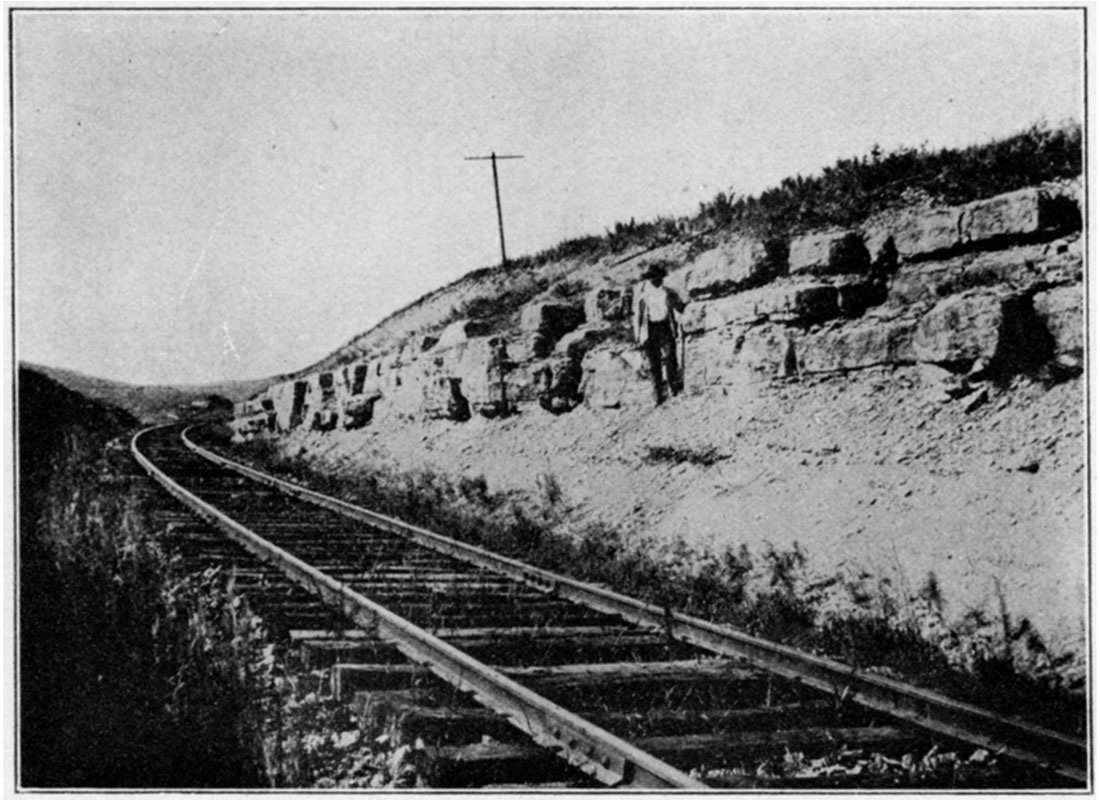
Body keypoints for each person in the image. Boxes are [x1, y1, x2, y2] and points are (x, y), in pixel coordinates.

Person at [632, 261, 686, 405]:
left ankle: (672, 387)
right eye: (652, 277)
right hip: (650, 330)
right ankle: (657, 394)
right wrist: (637, 336)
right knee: (653, 364)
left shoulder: (668, 292)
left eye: (657, 277)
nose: (655, 279)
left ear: (661, 277)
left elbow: (680, 307)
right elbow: (638, 317)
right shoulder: (643, 297)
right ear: (649, 279)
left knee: (670, 357)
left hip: (665, 327)